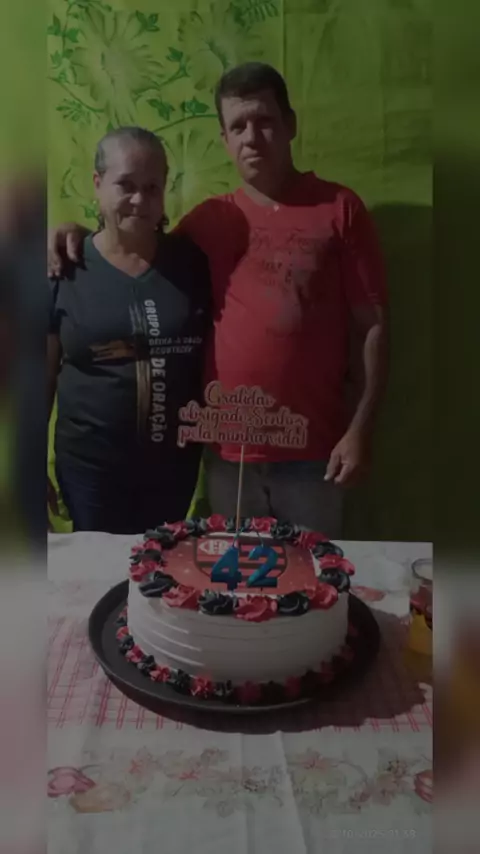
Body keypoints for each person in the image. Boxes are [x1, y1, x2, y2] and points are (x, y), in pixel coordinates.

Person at [48, 64, 388, 538]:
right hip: (227, 459)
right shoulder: (209, 220)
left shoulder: (339, 209)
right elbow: (133, 246)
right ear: (225, 139)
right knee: (229, 579)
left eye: (264, 121)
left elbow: (372, 325)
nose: (252, 137)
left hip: (314, 455)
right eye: (238, 126)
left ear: (290, 125)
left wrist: (360, 430)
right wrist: (79, 236)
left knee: (311, 577)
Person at [47, 126, 211, 533]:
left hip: (173, 470)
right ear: (98, 183)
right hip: (90, 471)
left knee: (160, 567)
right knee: (97, 568)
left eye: (152, 187)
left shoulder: (192, 264)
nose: (140, 200)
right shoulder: (64, 268)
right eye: (126, 185)